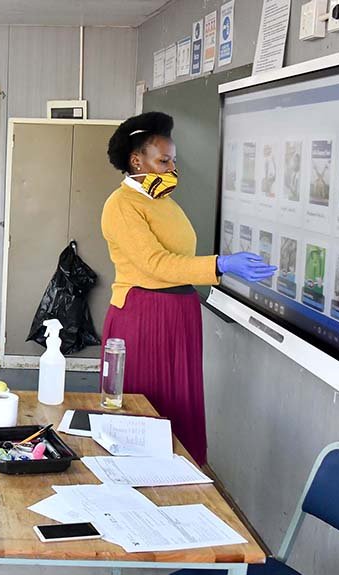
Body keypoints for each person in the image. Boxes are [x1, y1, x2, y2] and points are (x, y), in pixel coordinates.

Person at [100, 112, 276, 465]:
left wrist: (213, 268)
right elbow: (156, 264)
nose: (171, 168)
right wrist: (220, 265)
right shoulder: (121, 205)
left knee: (178, 405)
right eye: (163, 160)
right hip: (144, 316)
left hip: (178, 314)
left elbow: (177, 258)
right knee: (145, 410)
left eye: (173, 161)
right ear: (137, 160)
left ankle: (179, 486)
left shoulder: (163, 203)